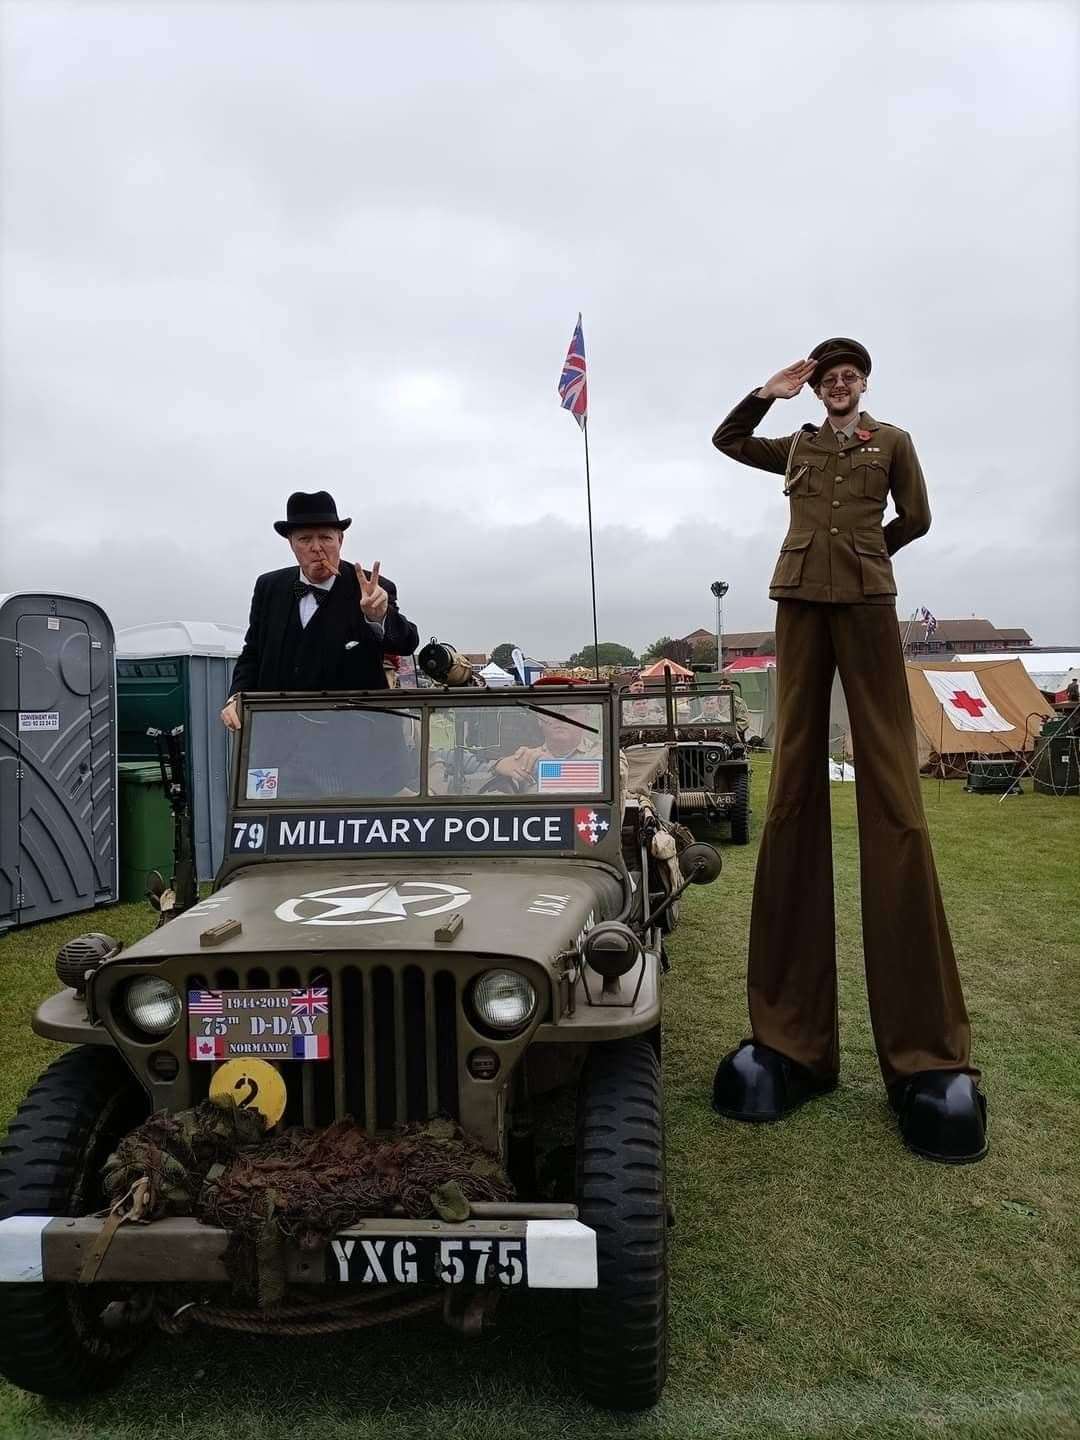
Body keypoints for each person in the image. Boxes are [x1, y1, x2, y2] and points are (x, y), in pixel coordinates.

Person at [709, 337, 986, 1164]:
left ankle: (927, 1057)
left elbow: (920, 517)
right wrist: (766, 390)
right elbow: (726, 441)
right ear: (815, 387)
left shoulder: (891, 441)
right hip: (799, 600)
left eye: (846, 376)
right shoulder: (794, 443)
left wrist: (871, 553)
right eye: (825, 377)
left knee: (895, 800)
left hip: (867, 600)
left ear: (862, 384)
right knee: (791, 791)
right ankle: (792, 1043)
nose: (836, 385)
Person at [221, 491, 418, 729]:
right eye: (305, 539)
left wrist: (379, 616)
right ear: (291, 544)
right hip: (280, 737)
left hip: (355, 739)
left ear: (340, 540)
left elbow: (406, 643)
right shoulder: (269, 587)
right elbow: (252, 653)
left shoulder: (373, 587)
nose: (317, 548)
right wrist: (237, 698)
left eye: (325, 537)